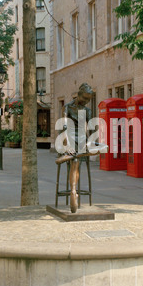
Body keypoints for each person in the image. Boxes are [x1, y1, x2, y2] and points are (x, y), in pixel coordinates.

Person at [56, 83, 106, 213]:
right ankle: (73, 190)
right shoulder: (67, 108)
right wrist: (67, 145)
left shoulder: (87, 111)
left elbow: (90, 129)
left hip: (82, 141)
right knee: (75, 161)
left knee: (76, 161)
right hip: (68, 139)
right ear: (78, 95)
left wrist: (91, 143)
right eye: (85, 98)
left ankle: (73, 191)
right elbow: (64, 128)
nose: (86, 101)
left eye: (88, 99)